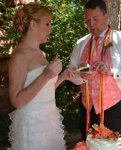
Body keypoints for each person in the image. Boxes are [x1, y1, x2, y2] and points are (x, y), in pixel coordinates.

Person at [69, 0, 121, 141]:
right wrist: (81, 75)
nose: (91, 24)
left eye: (95, 19)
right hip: (87, 107)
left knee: (110, 146)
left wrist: (113, 71)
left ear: (106, 16)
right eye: (88, 20)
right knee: (87, 145)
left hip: (113, 107)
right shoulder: (81, 43)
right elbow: (71, 72)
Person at [8, 2, 73, 150]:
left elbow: (42, 91)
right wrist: (45, 75)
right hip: (33, 125)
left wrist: (62, 77)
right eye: (47, 24)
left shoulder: (41, 53)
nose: (50, 29)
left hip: (49, 119)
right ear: (33, 25)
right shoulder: (20, 55)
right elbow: (16, 101)